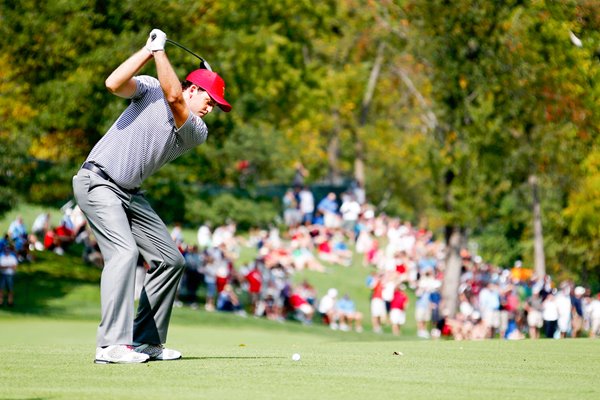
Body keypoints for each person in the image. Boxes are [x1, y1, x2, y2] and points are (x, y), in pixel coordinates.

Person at [72, 29, 231, 364]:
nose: (211, 109)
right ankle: (111, 345)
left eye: (215, 105)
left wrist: (161, 53)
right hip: (97, 181)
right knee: (125, 253)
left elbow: (174, 99)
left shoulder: (197, 130)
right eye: (209, 100)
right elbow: (113, 84)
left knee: (170, 260)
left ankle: (146, 342)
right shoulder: (150, 87)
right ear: (194, 88)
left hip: (129, 193)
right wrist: (148, 50)